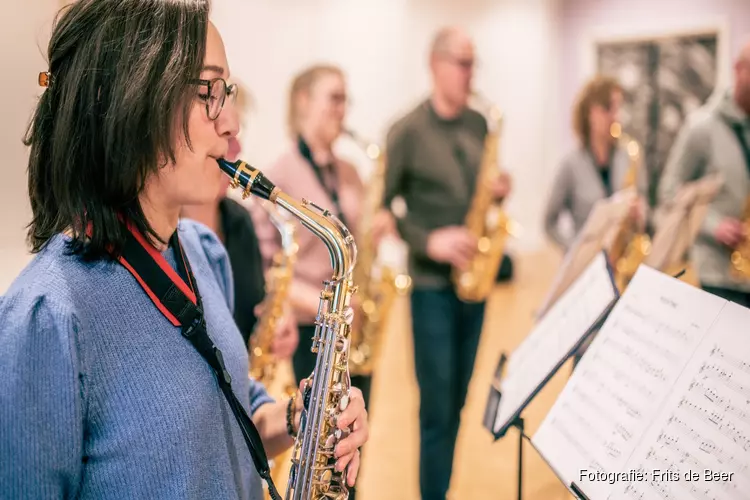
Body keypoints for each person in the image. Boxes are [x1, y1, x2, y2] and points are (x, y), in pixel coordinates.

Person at [0, 1, 368, 498]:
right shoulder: (47, 316)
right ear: (133, 102)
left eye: (229, 91)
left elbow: (233, 416)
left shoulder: (201, 251)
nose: (233, 125)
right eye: (210, 92)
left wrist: (304, 418)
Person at [382, 26, 511, 500]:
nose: (470, 73)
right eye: (462, 62)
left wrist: (496, 191)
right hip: (432, 287)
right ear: (434, 64)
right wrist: (428, 240)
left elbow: (480, 186)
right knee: (437, 411)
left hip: (473, 285)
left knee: (457, 401)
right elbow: (384, 209)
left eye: (474, 63)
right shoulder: (407, 131)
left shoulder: (480, 124)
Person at [181, 137, 299, 358]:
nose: (237, 147)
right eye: (224, 135)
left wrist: (277, 322)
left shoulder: (240, 220)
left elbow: (253, 309)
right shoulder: (162, 237)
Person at [658, 40, 750, 307]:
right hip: (718, 275)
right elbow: (669, 189)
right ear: (738, 69)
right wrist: (713, 224)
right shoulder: (701, 128)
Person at [544, 74, 648, 252]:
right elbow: (549, 223)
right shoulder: (570, 164)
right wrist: (575, 251)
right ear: (590, 112)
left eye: (618, 108)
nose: (616, 117)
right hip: (588, 268)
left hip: (622, 258)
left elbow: (644, 202)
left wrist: (640, 212)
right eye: (608, 108)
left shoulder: (629, 155)